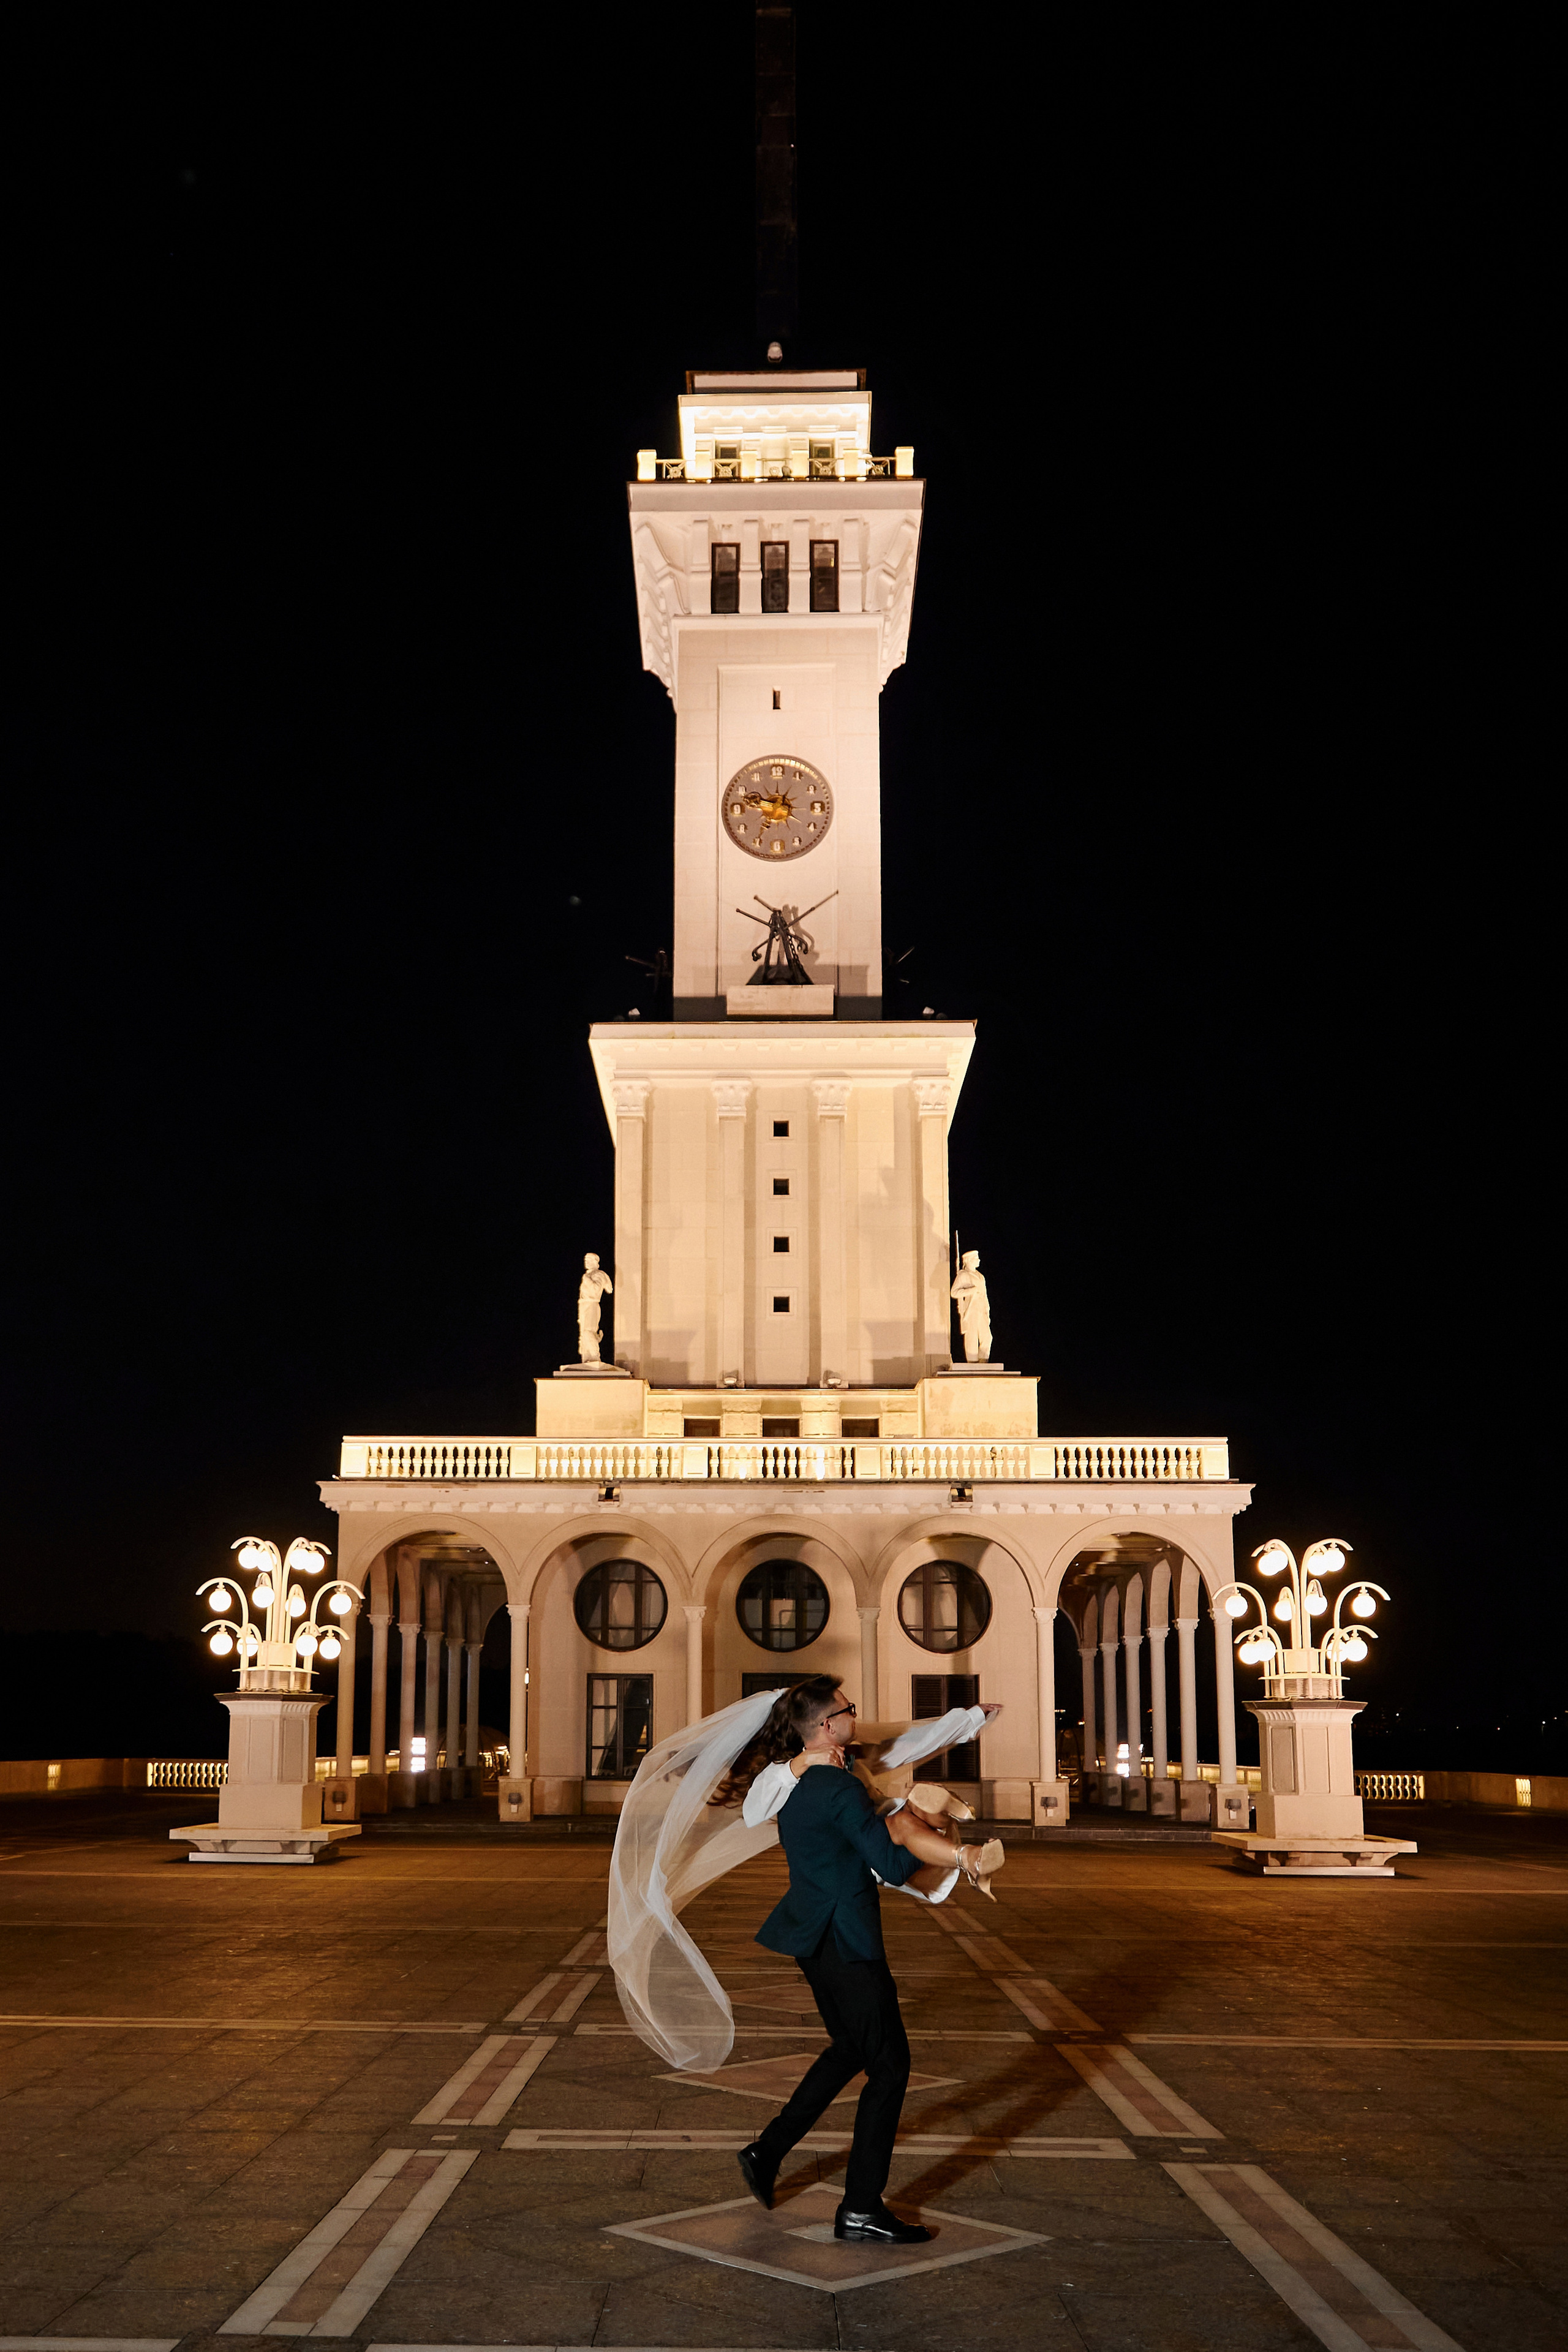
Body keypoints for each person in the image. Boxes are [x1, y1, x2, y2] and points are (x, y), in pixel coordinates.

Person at [715, 1676, 1000, 2245]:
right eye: (849, 1710)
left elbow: (903, 1745)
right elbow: (892, 1869)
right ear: (826, 1725)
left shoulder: (796, 1783)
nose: (856, 1717)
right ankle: (862, 2208)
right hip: (846, 1939)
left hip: (811, 1938)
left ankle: (767, 2149)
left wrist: (961, 1726)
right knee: (890, 2069)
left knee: (851, 2049)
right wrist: (914, 1826)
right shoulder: (839, 1788)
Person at [950, 1248, 991, 1362]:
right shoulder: (963, 1275)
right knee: (972, 1336)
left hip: (981, 1309)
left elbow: (985, 1295)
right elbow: (954, 1292)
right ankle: (972, 1362)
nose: (979, 1260)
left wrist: (987, 1311)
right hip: (971, 1309)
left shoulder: (981, 1277)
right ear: (968, 1261)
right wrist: (970, 1291)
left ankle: (983, 1360)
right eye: (976, 1258)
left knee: (987, 1337)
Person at [576, 1251, 612, 1362]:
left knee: (588, 1331)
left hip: (592, 1304)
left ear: (595, 1262)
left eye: (589, 1260)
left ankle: (595, 1355)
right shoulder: (588, 1275)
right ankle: (587, 1357)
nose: (586, 1262)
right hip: (584, 1305)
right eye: (585, 1260)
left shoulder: (599, 1275)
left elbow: (596, 1289)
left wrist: (587, 1280)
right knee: (584, 1333)